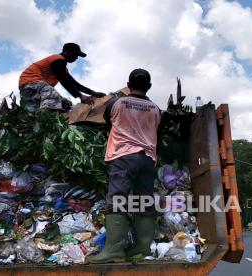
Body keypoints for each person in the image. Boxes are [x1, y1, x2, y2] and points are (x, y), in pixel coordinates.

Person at [86, 69, 161, 263]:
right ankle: (142, 248)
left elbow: (107, 120)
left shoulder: (117, 103)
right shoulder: (155, 109)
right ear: (149, 86)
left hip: (124, 156)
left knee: (118, 199)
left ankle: (114, 250)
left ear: (128, 84)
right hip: (147, 158)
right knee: (144, 200)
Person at [18, 43, 105, 111]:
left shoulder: (62, 67)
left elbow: (74, 84)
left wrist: (93, 93)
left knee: (65, 104)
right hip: (30, 83)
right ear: (67, 52)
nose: (76, 58)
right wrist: (80, 95)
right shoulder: (58, 59)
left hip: (30, 89)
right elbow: (63, 80)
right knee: (52, 97)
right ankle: (45, 122)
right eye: (75, 55)